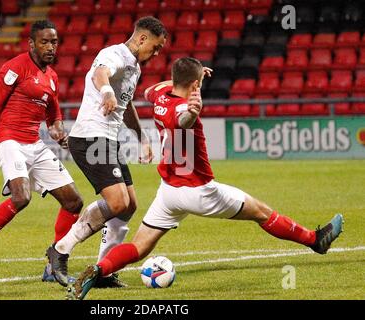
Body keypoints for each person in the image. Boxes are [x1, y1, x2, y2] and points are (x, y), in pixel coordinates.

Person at [68, 57, 345, 300]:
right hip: (200, 192)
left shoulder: (160, 97)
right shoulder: (182, 110)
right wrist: (193, 111)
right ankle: (315, 240)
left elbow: (154, 89)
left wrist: (192, 78)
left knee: (139, 248)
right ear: (195, 85)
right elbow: (183, 119)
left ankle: (98, 270)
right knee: (261, 212)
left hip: (169, 193)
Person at [44, 16, 167, 288]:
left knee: (129, 205)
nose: (156, 54)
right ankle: (60, 250)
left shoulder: (134, 66)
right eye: (156, 47)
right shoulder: (114, 54)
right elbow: (101, 73)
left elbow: (126, 104)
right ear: (142, 38)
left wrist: (141, 136)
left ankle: (104, 271)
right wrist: (107, 92)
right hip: (91, 137)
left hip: (107, 140)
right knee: (118, 202)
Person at [0, 20, 83, 277]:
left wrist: (58, 130)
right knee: (21, 197)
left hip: (34, 144)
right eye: (44, 41)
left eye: (54, 41)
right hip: (9, 141)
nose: (50, 47)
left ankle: (53, 265)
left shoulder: (51, 77)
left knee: (73, 202)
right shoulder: (15, 67)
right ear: (31, 43)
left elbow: (54, 115)